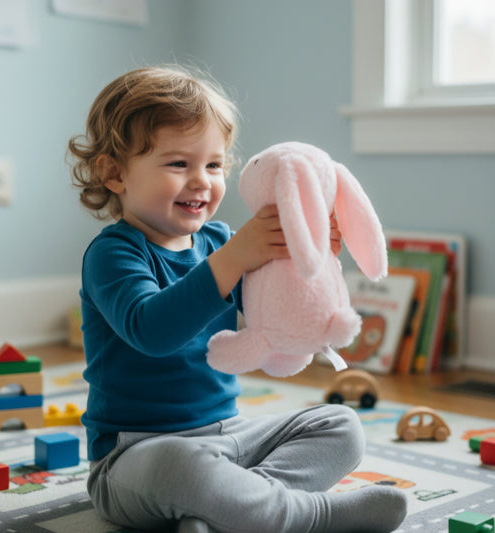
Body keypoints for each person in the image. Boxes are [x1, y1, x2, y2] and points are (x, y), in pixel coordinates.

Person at [68, 65, 407, 533]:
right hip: (136, 456)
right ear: (114, 173)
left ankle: (230, 510)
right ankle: (307, 515)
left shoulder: (220, 241)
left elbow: (274, 316)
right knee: (181, 468)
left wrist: (309, 257)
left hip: (230, 438)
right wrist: (233, 258)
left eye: (213, 165)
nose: (201, 181)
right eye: (178, 164)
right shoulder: (113, 254)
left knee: (341, 427)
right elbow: (152, 331)